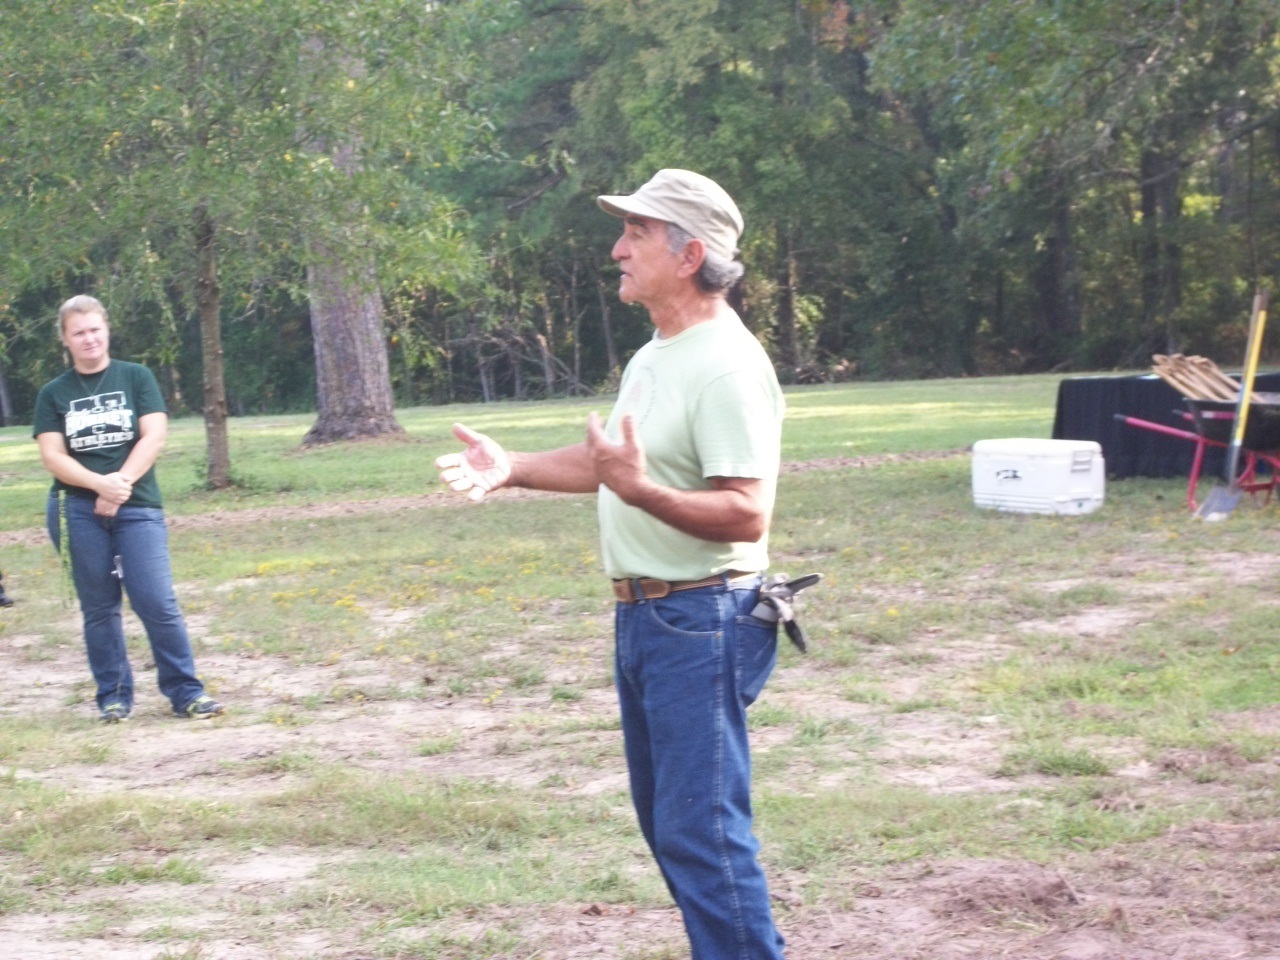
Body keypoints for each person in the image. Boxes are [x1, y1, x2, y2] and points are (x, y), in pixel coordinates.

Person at [436, 170, 787, 960]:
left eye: (637, 233)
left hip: (705, 617)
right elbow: (610, 464)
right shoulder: (657, 354)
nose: (616, 248)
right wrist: (513, 465)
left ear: (690, 253)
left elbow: (745, 513)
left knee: (703, 834)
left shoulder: (728, 365)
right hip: (649, 619)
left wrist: (640, 488)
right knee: (673, 826)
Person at [33, 295, 223, 723]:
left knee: (156, 600)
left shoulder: (136, 377)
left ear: (107, 329)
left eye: (95, 329)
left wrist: (119, 487)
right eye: (79, 332)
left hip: (137, 507)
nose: (89, 339)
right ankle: (114, 697)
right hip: (75, 509)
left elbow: (152, 437)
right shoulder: (54, 394)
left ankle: (186, 692)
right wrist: (99, 484)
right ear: (65, 339)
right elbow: (53, 456)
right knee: (99, 607)